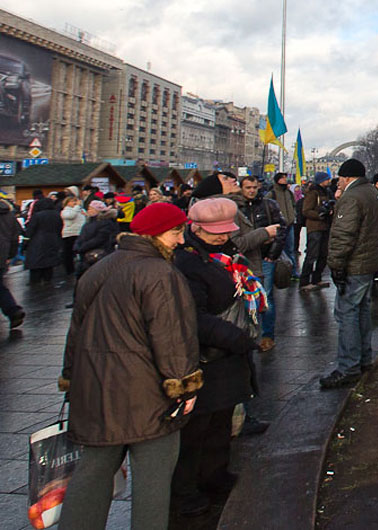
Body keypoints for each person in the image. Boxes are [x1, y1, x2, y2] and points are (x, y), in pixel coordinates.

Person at [57, 204, 201, 530]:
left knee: (91, 473)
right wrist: (183, 385)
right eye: (176, 232)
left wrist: (70, 377)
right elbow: (171, 336)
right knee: (153, 481)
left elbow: (76, 332)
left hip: (94, 391)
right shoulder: (160, 273)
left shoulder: (99, 269)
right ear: (156, 234)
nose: (180, 240)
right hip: (145, 394)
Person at [171, 198, 260, 517]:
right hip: (206, 355)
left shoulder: (226, 255)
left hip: (227, 356)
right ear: (195, 230)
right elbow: (194, 316)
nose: (222, 237)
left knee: (221, 418)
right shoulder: (188, 263)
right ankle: (185, 490)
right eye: (215, 233)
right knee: (197, 428)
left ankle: (215, 474)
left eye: (225, 232)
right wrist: (235, 337)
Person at [321, 159, 378, 389]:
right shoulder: (372, 193)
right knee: (362, 311)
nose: (338, 181)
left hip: (354, 265)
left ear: (346, 177)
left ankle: (348, 366)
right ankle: (363, 359)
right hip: (368, 262)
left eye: (340, 178)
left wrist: (336, 266)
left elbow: (343, 236)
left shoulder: (352, 197)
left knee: (347, 313)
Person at [229, 175, 282, 351]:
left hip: (265, 258)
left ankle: (267, 335)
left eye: (254, 187)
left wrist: (273, 254)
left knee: (265, 298)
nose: (251, 191)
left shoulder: (268, 205)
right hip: (243, 260)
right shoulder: (235, 208)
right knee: (245, 298)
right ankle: (249, 334)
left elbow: (280, 229)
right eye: (247, 187)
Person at [300, 172, 333, 290]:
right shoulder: (313, 193)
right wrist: (320, 214)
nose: (329, 181)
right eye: (327, 179)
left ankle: (317, 278)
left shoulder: (327, 192)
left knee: (323, 254)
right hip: (314, 227)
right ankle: (304, 281)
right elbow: (306, 210)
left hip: (325, 226)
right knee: (312, 254)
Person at [23, 196, 63, 285]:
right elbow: (60, 227)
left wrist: (26, 240)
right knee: (49, 262)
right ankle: (47, 279)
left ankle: (35, 281)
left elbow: (31, 230)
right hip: (53, 240)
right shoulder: (56, 214)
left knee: (36, 262)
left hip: (38, 241)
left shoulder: (37, 215)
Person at [73, 201, 119, 272]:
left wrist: (82, 247)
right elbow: (82, 236)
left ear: (98, 210)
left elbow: (99, 239)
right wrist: (77, 245)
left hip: (98, 255)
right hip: (86, 254)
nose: (88, 210)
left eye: (91, 209)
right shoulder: (89, 222)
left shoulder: (106, 223)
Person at [0, 194, 24, 329]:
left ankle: (13, 310)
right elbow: (15, 237)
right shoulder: (9, 215)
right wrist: (10, 255)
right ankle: (13, 310)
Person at [271, 172, 298, 272]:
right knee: (279, 249)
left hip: (290, 224)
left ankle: (293, 271)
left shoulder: (288, 192)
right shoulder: (272, 193)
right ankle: (281, 272)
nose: (285, 180)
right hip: (279, 225)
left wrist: (293, 215)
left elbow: (293, 204)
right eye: (283, 178)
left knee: (290, 249)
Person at [60, 195, 86, 277]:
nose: (74, 203)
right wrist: (77, 207)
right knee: (68, 253)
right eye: (72, 201)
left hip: (80, 233)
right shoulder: (65, 211)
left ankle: (81, 268)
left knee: (81, 251)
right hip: (70, 234)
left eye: (75, 201)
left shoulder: (79, 210)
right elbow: (70, 216)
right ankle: (69, 270)